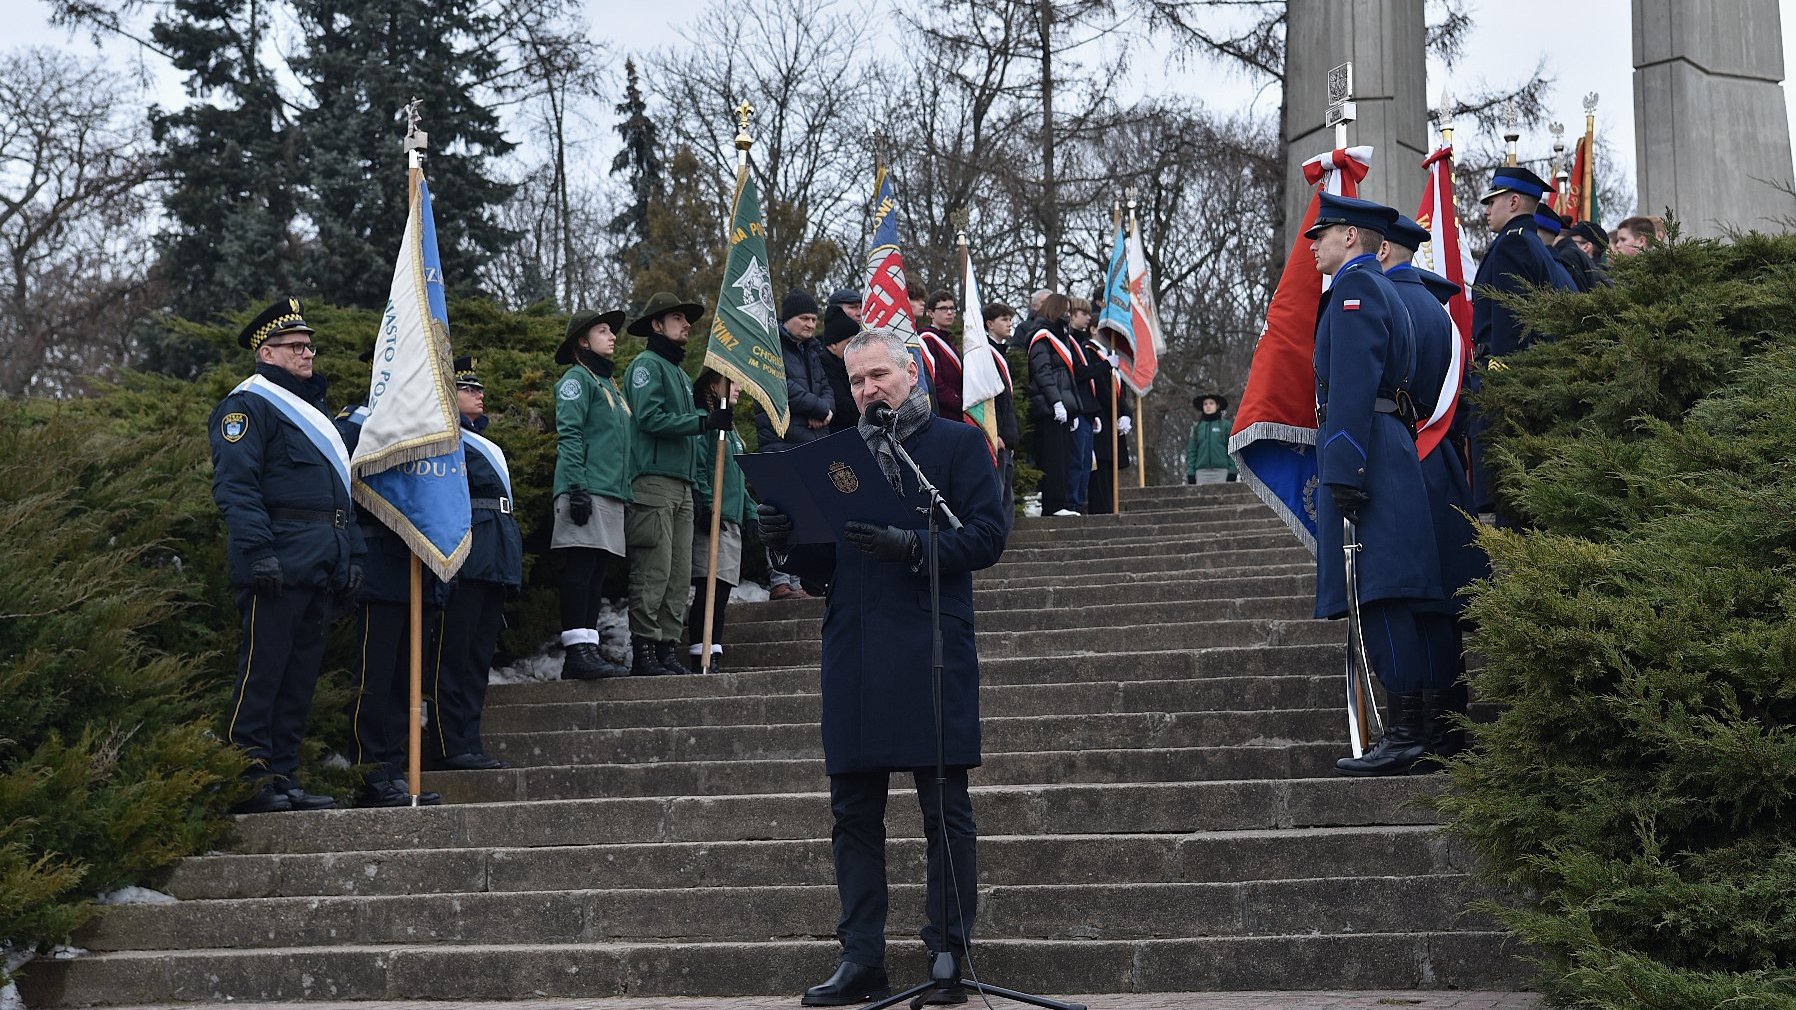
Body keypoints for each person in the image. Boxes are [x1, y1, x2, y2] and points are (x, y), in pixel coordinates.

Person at [756, 327, 1008, 1008]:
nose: (867, 390)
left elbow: (988, 536)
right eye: (857, 381)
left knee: (943, 810)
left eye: (878, 377)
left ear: (912, 373)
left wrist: (912, 545)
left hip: (929, 642)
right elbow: (821, 566)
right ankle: (860, 958)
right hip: (855, 645)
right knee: (853, 813)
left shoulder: (956, 445)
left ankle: (949, 952)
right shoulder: (835, 457)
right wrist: (785, 541)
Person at [1303, 193, 1444, 777]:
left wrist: (1343, 470)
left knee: (1379, 592)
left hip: (1370, 454)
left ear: (1352, 238)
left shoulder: (1355, 294)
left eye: (1323, 233)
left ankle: (1407, 733)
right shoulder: (1380, 289)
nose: (1312, 244)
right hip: (1387, 448)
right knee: (1386, 591)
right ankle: (1412, 728)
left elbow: (1353, 390)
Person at [209, 297, 364, 814]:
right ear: (267, 353)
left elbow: (340, 495)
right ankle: (247, 777)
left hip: (320, 562)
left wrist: (352, 556)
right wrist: (257, 554)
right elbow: (238, 487)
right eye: (295, 347)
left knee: (298, 683)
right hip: (277, 562)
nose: (307, 354)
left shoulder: (311, 416)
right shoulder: (246, 407)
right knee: (263, 675)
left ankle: (284, 776)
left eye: (309, 346)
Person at [1379, 216, 1493, 772]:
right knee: (1442, 602)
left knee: (1416, 602)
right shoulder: (1440, 317)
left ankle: (1423, 729)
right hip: (1442, 463)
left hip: (1407, 461)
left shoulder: (1388, 306)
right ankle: (1450, 725)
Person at [335, 348, 445, 808]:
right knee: (376, 678)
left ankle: (397, 767)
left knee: (405, 679)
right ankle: (371, 770)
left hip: (415, 567)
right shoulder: (352, 426)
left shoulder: (429, 431)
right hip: (378, 565)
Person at [623, 291, 735, 676]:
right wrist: (702, 421)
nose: (687, 325)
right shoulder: (646, 366)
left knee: (677, 573)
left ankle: (667, 646)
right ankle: (645, 650)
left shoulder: (679, 373)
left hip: (683, 485)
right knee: (653, 568)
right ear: (657, 325)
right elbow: (650, 418)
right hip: (653, 483)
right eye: (677, 318)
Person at [428, 357, 523, 771]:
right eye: (468, 388)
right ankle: (451, 744)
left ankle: (469, 739)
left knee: (477, 658)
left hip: (495, 554)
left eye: (480, 388)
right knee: (454, 656)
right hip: (466, 557)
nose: (479, 395)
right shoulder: (444, 439)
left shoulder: (482, 442)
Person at [1469, 165, 1576, 515]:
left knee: (1509, 496)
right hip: (1532, 381)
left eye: (1492, 201)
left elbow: (1509, 323)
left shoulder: (1511, 247)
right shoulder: (1535, 245)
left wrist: (1500, 389)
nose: (1485, 210)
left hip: (1509, 386)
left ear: (1514, 201)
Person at [551, 309, 634, 680]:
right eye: (603, 331)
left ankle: (588, 645)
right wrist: (576, 487)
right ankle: (575, 651)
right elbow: (569, 435)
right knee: (582, 567)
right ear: (583, 341)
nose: (612, 336)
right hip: (585, 487)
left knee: (597, 571)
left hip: (611, 490)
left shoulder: (609, 385)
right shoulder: (576, 380)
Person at [755, 289, 835, 601]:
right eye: (805, 318)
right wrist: (817, 408)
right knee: (780, 514)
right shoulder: (771, 347)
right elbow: (778, 385)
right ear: (787, 318)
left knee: (809, 513)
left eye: (815, 318)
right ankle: (779, 580)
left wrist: (825, 411)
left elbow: (826, 388)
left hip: (811, 442)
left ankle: (798, 579)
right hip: (780, 440)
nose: (811, 324)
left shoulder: (812, 350)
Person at [686, 368, 754, 673]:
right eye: (732, 382)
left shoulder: (732, 427)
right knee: (709, 584)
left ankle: (714, 646)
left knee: (724, 587)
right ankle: (701, 650)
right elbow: (700, 465)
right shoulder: (709, 422)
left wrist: (751, 512)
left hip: (731, 519)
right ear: (715, 384)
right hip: (715, 517)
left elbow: (737, 478)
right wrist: (705, 501)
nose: (738, 388)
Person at [1025, 292, 1079, 516]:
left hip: (1063, 405)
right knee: (1053, 457)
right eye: (1065, 310)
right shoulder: (1041, 335)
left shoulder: (1060, 334)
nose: (1067, 315)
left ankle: (1062, 502)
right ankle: (1053, 504)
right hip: (1049, 406)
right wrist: (1056, 401)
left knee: (1064, 457)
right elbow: (1042, 371)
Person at [1078, 322, 1133, 515]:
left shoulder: (1110, 356)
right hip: (1101, 417)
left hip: (1114, 419)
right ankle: (1103, 511)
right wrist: (1117, 412)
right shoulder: (1090, 352)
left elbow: (1120, 391)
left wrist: (1126, 414)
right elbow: (1101, 388)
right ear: (1094, 330)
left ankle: (1110, 508)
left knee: (1110, 469)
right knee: (1100, 469)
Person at [1062, 298, 1103, 515]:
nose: (1088, 318)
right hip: (1076, 408)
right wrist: (1103, 367)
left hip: (1087, 409)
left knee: (1086, 461)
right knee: (1077, 459)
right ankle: (1072, 502)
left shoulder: (1080, 341)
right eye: (1083, 314)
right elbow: (1077, 373)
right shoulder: (1068, 340)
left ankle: (1079, 502)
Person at [981, 301, 1022, 516]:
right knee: (999, 497)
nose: (1009, 325)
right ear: (989, 323)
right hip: (994, 436)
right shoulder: (984, 353)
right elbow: (988, 398)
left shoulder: (1000, 352)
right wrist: (993, 432)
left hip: (1005, 437)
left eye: (1010, 320)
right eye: (1004, 320)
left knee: (1007, 502)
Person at [916, 289, 964, 422]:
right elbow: (935, 382)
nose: (949, 312)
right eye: (943, 308)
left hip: (956, 412)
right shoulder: (927, 339)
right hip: (944, 414)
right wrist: (960, 404)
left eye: (952, 308)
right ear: (930, 313)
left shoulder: (949, 342)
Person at [818, 301, 860, 435]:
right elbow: (843, 408)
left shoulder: (842, 362)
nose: (853, 347)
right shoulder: (823, 365)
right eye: (849, 342)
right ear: (834, 343)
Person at [1184, 395, 1235, 485]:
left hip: (1222, 471)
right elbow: (1192, 452)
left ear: (1217, 406)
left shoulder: (1226, 426)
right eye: (1205, 404)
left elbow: (1233, 450)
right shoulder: (1197, 427)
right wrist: (1190, 473)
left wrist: (1232, 471)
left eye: (1211, 403)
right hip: (1201, 473)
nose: (1208, 406)